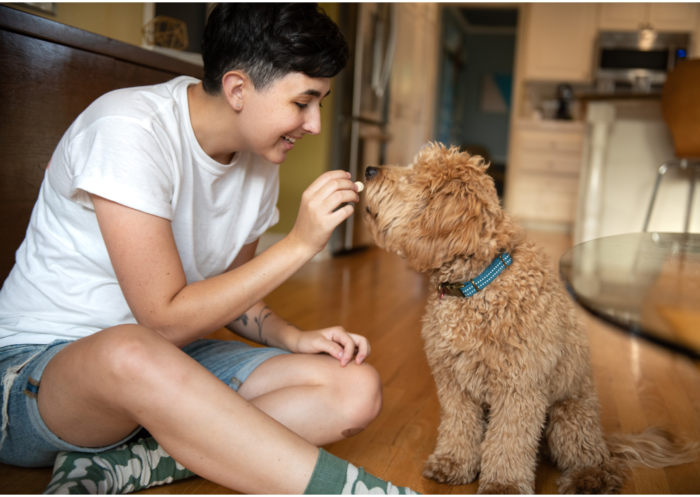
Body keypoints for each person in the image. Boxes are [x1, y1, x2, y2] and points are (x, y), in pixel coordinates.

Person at [0, 4, 417, 494]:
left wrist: (291, 336)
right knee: (130, 348)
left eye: (320, 103)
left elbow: (227, 294)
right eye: (303, 102)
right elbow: (162, 319)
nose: (314, 125)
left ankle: (128, 463)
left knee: (354, 389)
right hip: (39, 370)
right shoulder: (129, 130)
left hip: (173, 356)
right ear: (238, 88)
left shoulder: (260, 158)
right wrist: (301, 244)